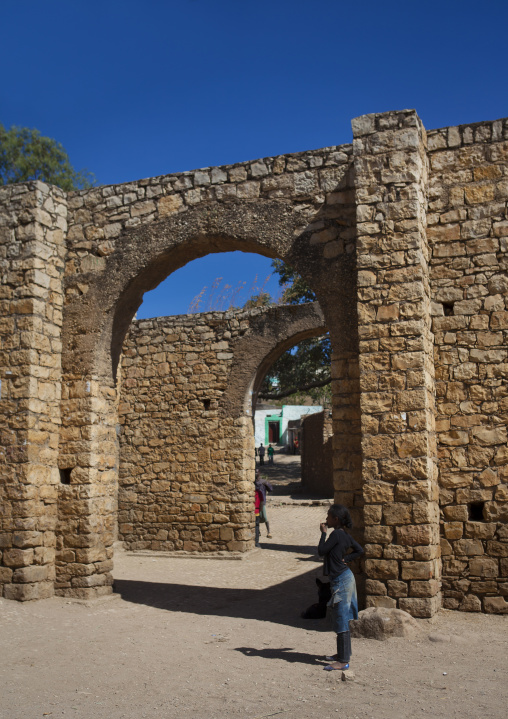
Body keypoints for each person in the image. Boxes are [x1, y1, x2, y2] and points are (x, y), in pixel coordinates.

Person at [318, 504, 364, 671]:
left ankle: (343, 660)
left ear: (335, 519)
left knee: (341, 618)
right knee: (342, 617)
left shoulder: (336, 534)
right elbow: (359, 550)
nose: (326, 519)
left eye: (329, 516)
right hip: (346, 577)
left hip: (341, 581)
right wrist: (347, 559)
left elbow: (321, 551)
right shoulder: (344, 534)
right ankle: (343, 654)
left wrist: (323, 534)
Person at [255, 469, 273, 541]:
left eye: (257, 472)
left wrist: (266, 484)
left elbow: (270, 489)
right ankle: (257, 531)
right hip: (255, 502)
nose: (256, 473)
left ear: (259, 473)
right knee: (256, 517)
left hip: (262, 502)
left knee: (264, 517)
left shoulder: (263, 482)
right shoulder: (253, 482)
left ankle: (268, 532)